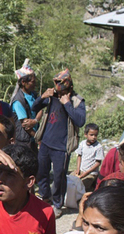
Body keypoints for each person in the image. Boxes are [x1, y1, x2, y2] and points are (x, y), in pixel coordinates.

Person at [33, 69, 86, 217]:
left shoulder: (76, 100)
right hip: (45, 143)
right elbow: (35, 108)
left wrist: (67, 103)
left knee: (58, 177)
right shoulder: (52, 97)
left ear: (68, 84)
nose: (57, 87)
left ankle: (57, 204)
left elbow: (80, 121)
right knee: (41, 173)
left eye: (60, 83)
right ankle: (45, 197)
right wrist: (42, 96)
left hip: (62, 147)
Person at [10, 63, 41, 150]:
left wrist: (35, 120)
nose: (35, 84)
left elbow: (40, 110)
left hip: (33, 138)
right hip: (24, 141)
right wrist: (38, 139)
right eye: (32, 82)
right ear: (23, 82)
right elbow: (26, 125)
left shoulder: (33, 95)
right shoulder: (18, 101)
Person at [74, 123, 104, 192]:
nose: (94, 137)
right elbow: (79, 156)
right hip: (82, 170)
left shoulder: (98, 147)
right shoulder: (82, 144)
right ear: (85, 134)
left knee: (82, 186)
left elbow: (98, 163)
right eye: (91, 135)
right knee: (71, 180)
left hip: (91, 173)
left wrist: (85, 174)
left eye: (95, 135)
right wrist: (78, 169)